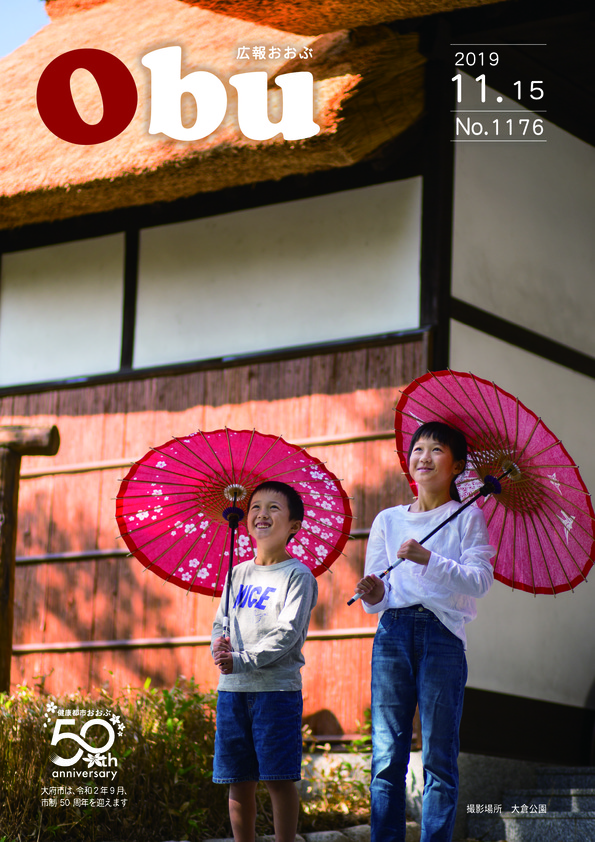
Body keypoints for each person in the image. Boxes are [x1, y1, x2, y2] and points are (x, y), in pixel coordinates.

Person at [355, 421, 495, 842]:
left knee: (438, 754)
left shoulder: (468, 517)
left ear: (457, 466)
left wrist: (427, 558)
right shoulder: (388, 519)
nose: (424, 457)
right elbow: (374, 598)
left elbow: (480, 581)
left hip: (443, 637)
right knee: (386, 753)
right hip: (392, 633)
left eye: (437, 450)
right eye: (418, 449)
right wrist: (374, 591)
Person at [211, 480, 317, 842]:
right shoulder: (237, 573)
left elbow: (287, 635)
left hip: (276, 692)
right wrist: (218, 645)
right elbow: (220, 620)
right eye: (255, 507)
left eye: (274, 508)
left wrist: (242, 660)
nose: (262, 514)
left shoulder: (298, 575)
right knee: (237, 780)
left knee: (277, 778)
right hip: (232, 692)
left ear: (293, 526)